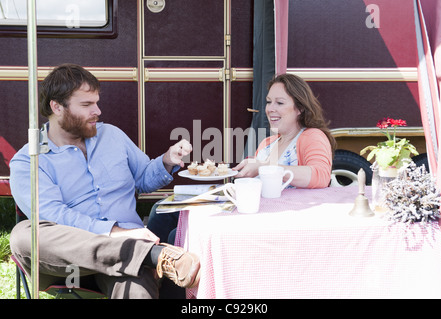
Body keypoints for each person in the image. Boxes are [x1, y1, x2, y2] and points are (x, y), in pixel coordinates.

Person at [9, 63, 200, 299]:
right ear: (57, 107)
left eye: (97, 102)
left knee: (137, 288)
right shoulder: (29, 160)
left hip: (128, 259)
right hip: (72, 263)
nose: (97, 111)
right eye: (87, 105)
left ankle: (146, 256)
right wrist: (114, 233)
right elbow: (55, 218)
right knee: (24, 235)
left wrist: (167, 160)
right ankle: (149, 254)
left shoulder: (111, 135)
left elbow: (142, 178)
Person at [233, 73, 336, 188]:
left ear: (300, 108)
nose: (270, 109)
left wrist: (265, 167)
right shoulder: (266, 144)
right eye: (268, 102)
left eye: (280, 103)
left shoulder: (312, 136)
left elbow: (321, 177)